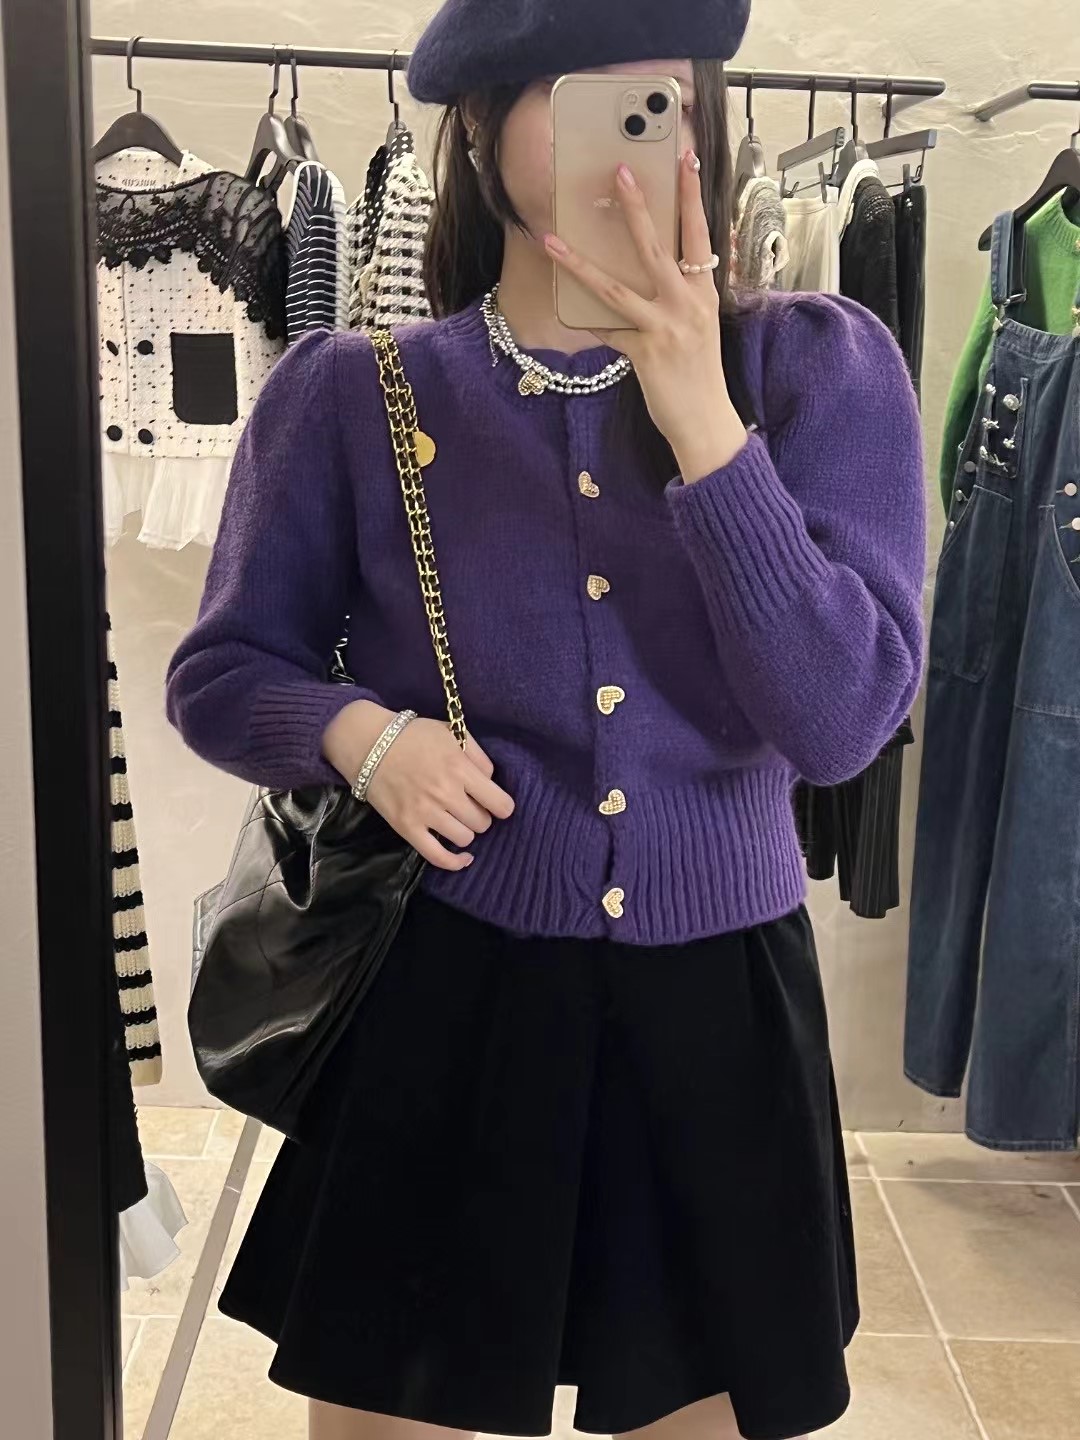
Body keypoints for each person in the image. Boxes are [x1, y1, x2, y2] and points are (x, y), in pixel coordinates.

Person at [165, 3, 926, 1439]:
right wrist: (365, 740)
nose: (634, 151)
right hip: (445, 991)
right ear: (478, 124)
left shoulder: (818, 370)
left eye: (666, 104)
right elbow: (222, 673)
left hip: (717, 1013)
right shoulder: (352, 395)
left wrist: (701, 418)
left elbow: (841, 724)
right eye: (588, 104)